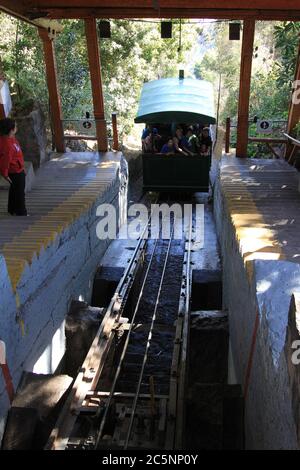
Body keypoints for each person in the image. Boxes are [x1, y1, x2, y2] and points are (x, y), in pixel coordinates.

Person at [0, 118, 27, 216]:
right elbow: (5, 160)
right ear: (11, 129)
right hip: (15, 171)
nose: (17, 127)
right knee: (20, 192)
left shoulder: (11, 139)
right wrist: (5, 174)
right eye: (15, 126)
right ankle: (21, 212)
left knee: (14, 190)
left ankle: (12, 210)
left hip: (18, 168)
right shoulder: (7, 143)